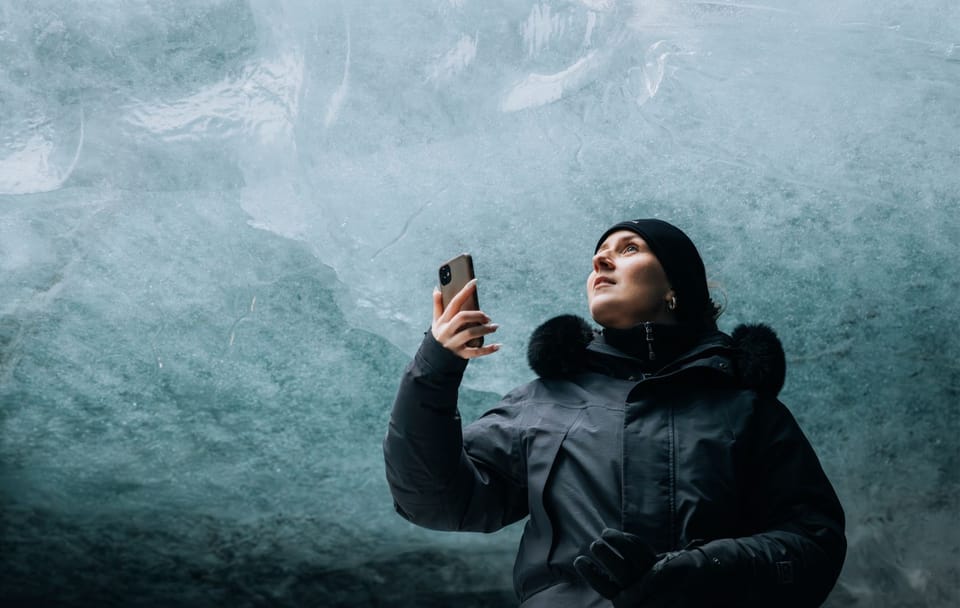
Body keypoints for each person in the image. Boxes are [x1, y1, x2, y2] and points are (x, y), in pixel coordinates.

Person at [383, 218, 846, 607]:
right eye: (599, 254)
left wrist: (694, 574)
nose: (600, 261)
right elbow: (435, 501)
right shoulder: (542, 402)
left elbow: (813, 545)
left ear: (675, 287)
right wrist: (436, 366)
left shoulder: (746, 409)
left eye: (629, 249)